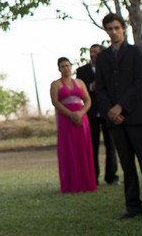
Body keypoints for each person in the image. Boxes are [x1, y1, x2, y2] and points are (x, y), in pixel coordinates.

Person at [95, 13, 142, 220]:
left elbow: (140, 81)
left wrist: (121, 107)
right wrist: (111, 111)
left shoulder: (135, 52)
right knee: (126, 164)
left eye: (117, 28)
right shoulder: (102, 57)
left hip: (136, 116)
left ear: (123, 28)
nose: (113, 32)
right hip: (115, 120)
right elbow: (100, 89)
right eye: (110, 29)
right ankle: (133, 206)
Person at [52, 57, 96, 193]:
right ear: (59, 69)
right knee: (69, 149)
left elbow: (88, 100)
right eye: (62, 66)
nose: (66, 69)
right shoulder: (56, 84)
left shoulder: (80, 82)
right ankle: (72, 183)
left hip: (81, 118)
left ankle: (87, 182)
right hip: (66, 119)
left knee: (83, 147)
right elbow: (55, 102)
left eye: (67, 66)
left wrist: (81, 113)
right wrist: (71, 115)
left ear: (71, 67)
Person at [76, 45, 117, 185]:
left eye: (96, 52)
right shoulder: (81, 71)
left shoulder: (108, 68)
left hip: (107, 111)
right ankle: (93, 177)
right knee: (92, 146)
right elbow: (79, 91)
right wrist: (90, 87)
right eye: (91, 52)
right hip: (91, 112)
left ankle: (112, 177)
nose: (93, 54)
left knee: (111, 145)